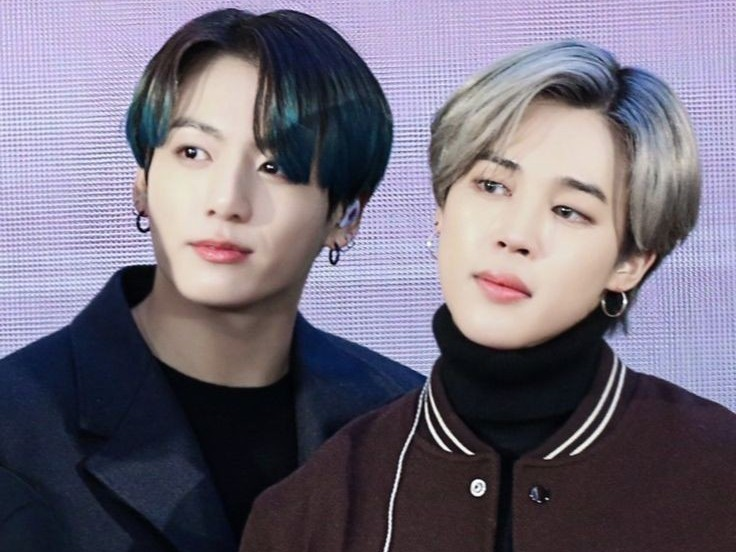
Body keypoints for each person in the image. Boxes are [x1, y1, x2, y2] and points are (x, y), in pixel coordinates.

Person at [241, 41, 736, 552]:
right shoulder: (312, 507)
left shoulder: (718, 474)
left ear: (630, 263)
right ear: (442, 207)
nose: (515, 235)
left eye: (568, 211)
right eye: (493, 186)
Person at [0, 8, 422, 551]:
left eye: (277, 167)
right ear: (143, 182)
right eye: (193, 152)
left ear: (345, 216)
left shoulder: (409, 427)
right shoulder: (17, 423)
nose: (227, 201)